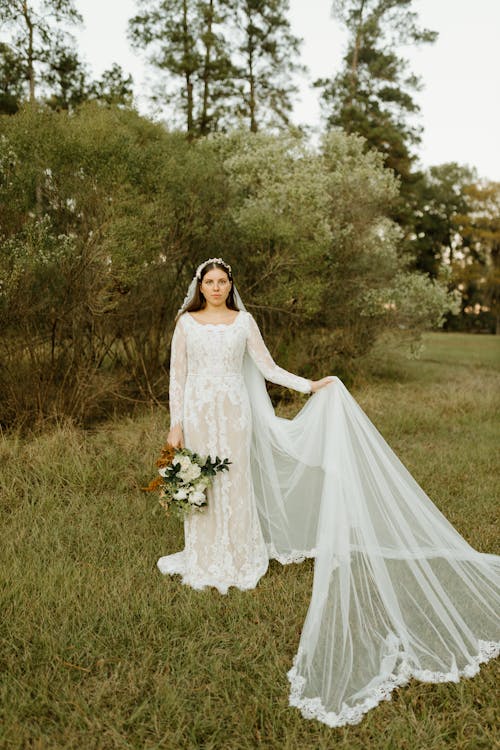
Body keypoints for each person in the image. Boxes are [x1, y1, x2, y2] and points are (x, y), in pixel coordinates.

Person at [157, 257, 500, 728]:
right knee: (204, 479)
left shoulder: (244, 321)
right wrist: (176, 423)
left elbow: (267, 367)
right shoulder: (186, 324)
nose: (215, 288)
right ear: (199, 286)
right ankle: (203, 554)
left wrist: (310, 385)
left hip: (235, 410)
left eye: (222, 282)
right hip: (198, 409)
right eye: (208, 282)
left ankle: (238, 554)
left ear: (231, 285)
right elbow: (177, 376)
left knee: (234, 479)